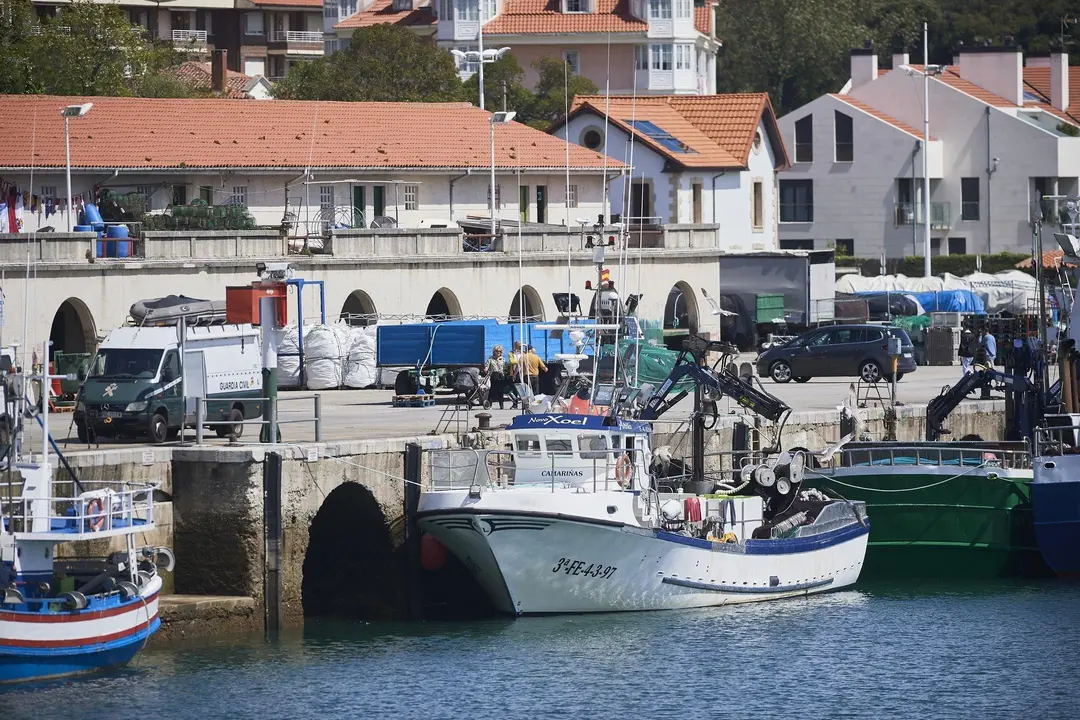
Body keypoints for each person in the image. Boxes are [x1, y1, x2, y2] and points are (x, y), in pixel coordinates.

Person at [482, 345, 509, 409]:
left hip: (501, 376)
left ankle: (501, 405)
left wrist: (505, 373)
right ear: (494, 351)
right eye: (497, 351)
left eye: (500, 351)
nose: (498, 352)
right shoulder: (490, 359)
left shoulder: (503, 359)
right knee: (492, 391)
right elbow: (487, 366)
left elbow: (505, 368)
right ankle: (489, 405)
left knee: (500, 391)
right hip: (494, 375)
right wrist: (486, 369)